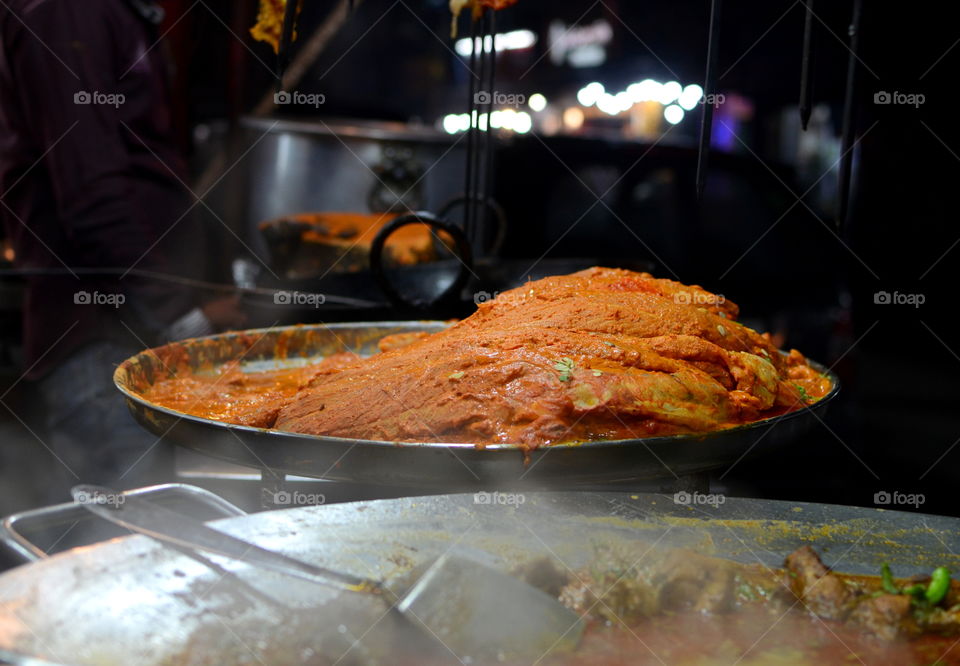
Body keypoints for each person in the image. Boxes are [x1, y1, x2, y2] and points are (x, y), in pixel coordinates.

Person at [0, 0, 245, 499]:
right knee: (127, 542)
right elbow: (92, 194)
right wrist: (183, 316)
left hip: (129, 340)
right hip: (100, 349)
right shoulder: (68, 12)